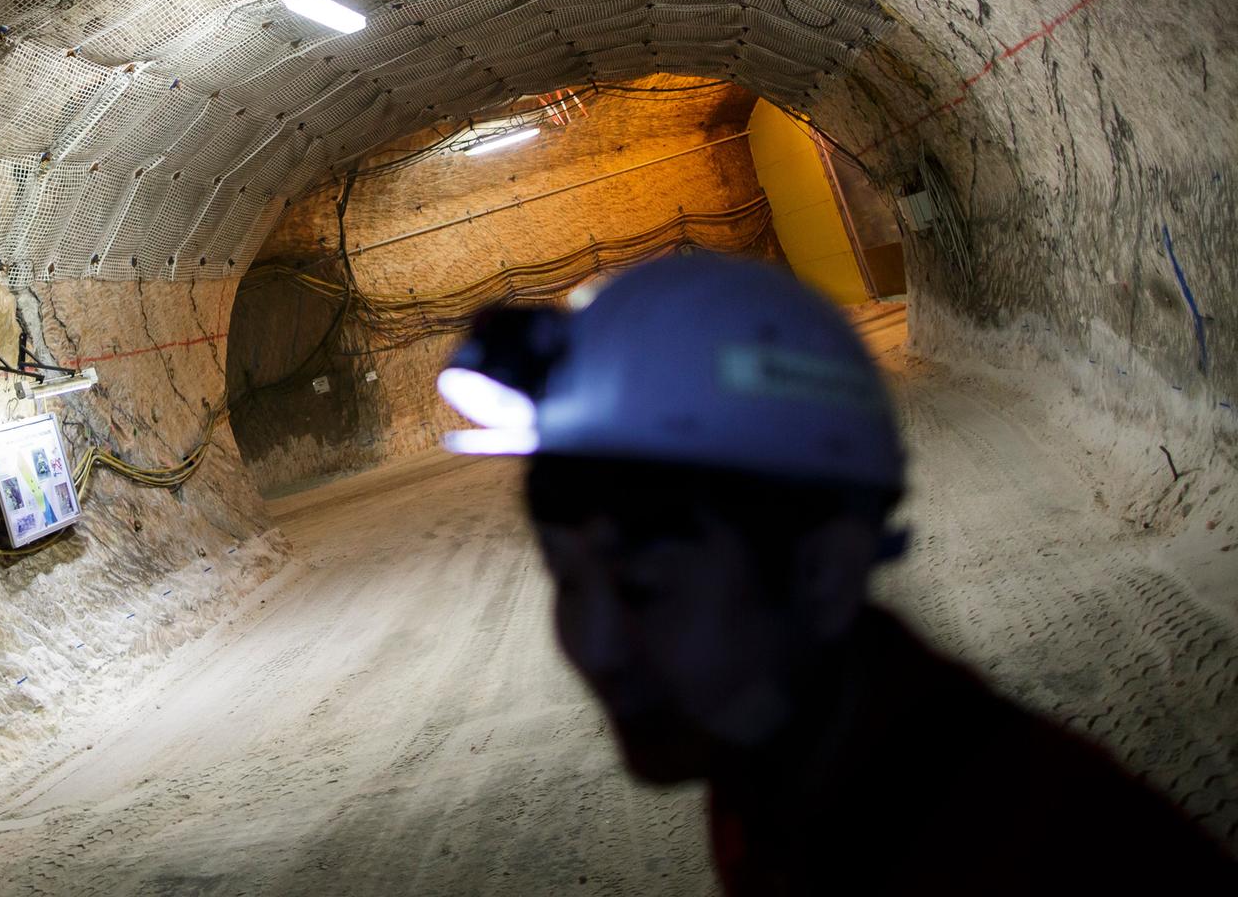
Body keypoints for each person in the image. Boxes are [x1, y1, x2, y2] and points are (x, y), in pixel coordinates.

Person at [440, 254, 1238, 895]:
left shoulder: (1043, 851)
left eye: (647, 585)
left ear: (824, 572)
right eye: (567, 581)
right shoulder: (771, 786)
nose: (596, 647)